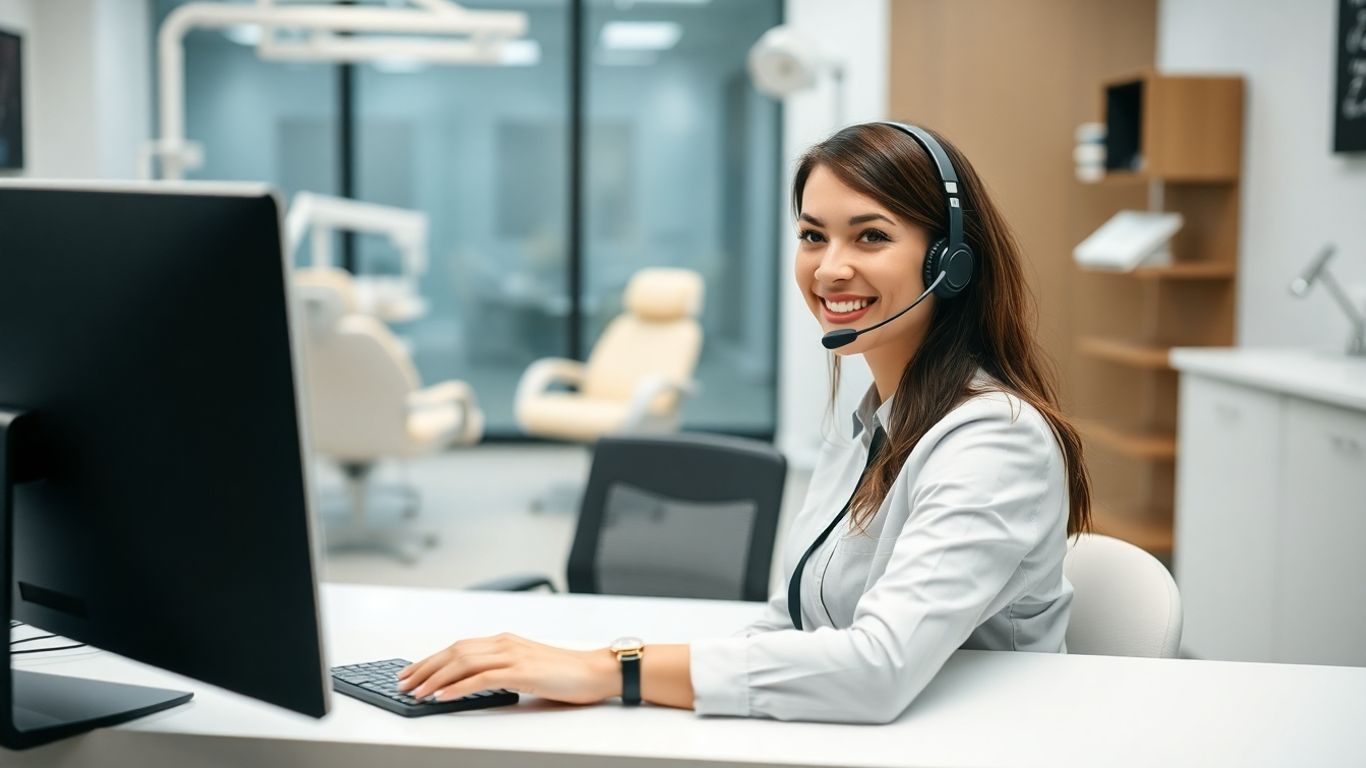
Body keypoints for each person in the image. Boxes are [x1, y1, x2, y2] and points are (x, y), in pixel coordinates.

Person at [396, 122, 1092, 724]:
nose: (830, 268)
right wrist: (620, 680)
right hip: (848, 737)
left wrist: (615, 670)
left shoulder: (993, 440)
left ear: (950, 262)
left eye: (871, 236)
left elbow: (878, 669)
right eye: (813, 236)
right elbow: (792, 623)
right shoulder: (871, 423)